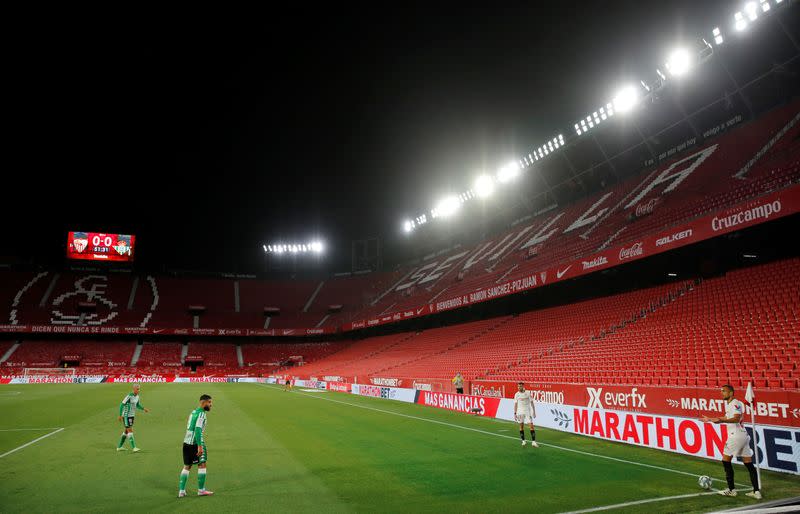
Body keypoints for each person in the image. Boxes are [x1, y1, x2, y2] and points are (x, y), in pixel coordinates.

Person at [701, 384, 761, 499]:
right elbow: (723, 418)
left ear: (731, 393)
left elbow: (736, 418)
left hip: (736, 436)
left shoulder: (736, 403)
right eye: (721, 391)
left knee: (726, 461)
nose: (722, 393)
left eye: (724, 391)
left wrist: (722, 420)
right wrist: (710, 419)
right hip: (743, 436)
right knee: (748, 464)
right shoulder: (729, 405)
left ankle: (731, 489)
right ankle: (756, 491)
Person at [178, 394, 214, 498]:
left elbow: (190, 426)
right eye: (209, 402)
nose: (211, 405)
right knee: (202, 464)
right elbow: (198, 430)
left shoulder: (193, 412)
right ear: (203, 403)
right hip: (195, 443)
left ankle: (181, 491)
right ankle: (201, 490)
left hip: (186, 442)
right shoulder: (202, 414)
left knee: (187, 466)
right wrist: (199, 446)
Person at [116, 384, 149, 452]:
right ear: (133, 389)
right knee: (130, 430)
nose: (138, 390)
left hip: (132, 416)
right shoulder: (129, 396)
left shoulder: (137, 396)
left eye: (139, 389)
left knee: (126, 431)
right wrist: (120, 415)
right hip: (126, 416)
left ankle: (119, 447)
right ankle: (134, 447)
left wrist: (143, 409)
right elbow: (122, 404)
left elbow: (137, 405)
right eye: (137, 389)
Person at [513, 382, 538, 447]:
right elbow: (515, 404)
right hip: (520, 412)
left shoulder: (528, 393)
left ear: (523, 386)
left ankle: (533, 442)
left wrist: (534, 412)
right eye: (518, 386)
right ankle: (523, 441)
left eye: (520, 386)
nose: (519, 387)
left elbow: (532, 402)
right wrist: (515, 413)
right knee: (521, 426)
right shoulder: (516, 394)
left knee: (531, 425)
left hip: (527, 412)